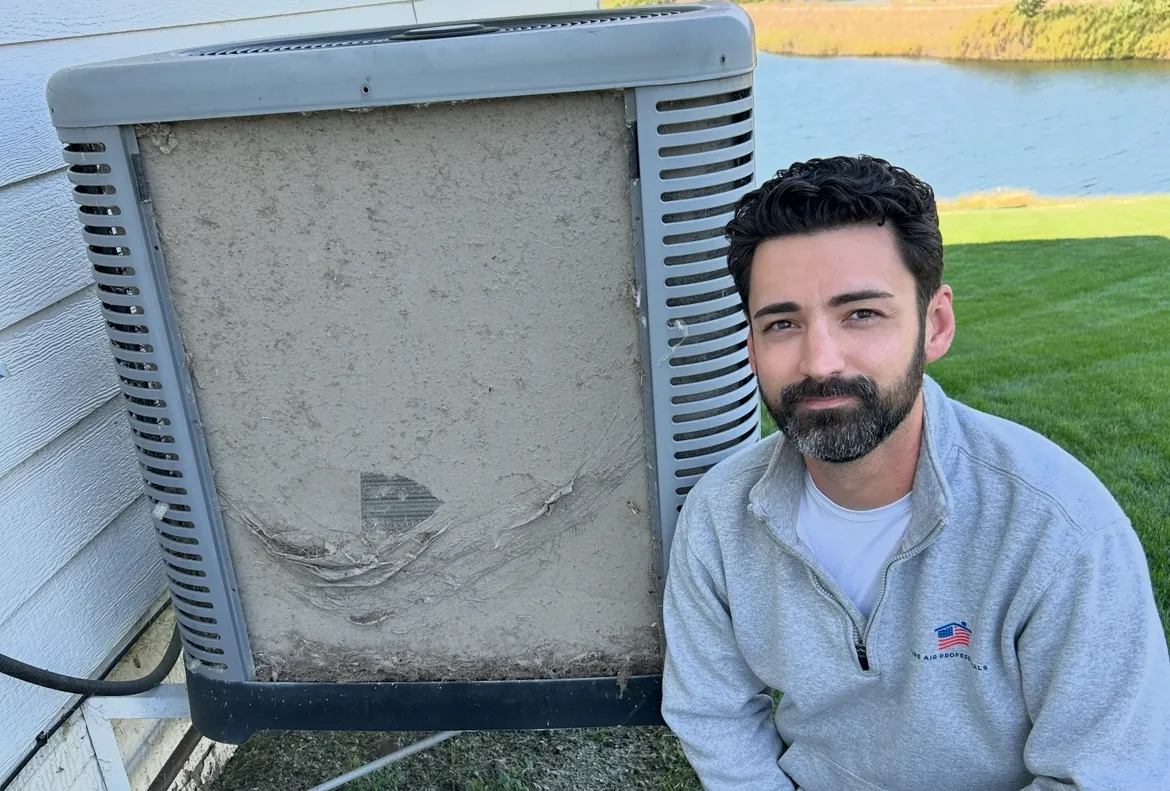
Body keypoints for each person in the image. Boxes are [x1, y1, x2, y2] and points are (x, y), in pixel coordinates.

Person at [660, 155, 1170, 790]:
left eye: (862, 314)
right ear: (752, 348)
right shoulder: (720, 516)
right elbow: (713, 715)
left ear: (936, 325)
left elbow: (1108, 772)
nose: (821, 360)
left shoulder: (1060, 530)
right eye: (783, 323)